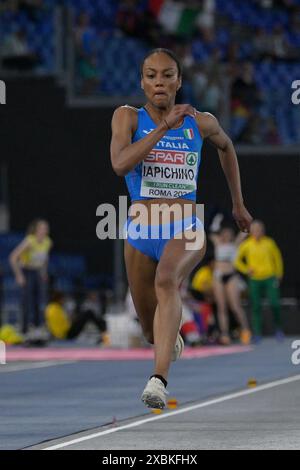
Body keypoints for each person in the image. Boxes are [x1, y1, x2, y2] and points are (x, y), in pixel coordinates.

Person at [110, 48, 252, 409]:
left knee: (167, 280)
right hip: (141, 231)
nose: (160, 82)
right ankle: (167, 339)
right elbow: (120, 164)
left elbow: (227, 146)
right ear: (142, 82)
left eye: (167, 74)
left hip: (186, 226)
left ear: (179, 81)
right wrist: (162, 128)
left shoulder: (199, 122)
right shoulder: (127, 117)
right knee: (148, 329)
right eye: (152, 75)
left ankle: (158, 380)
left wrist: (237, 203)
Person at [234, 220, 284, 343]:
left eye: (259, 229)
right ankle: (257, 333)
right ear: (251, 231)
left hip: (270, 277)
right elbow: (236, 260)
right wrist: (246, 270)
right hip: (254, 280)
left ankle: (279, 328)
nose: (257, 232)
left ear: (263, 231)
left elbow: (277, 258)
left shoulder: (269, 243)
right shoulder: (247, 245)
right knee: (256, 306)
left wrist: (279, 274)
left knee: (275, 303)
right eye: (254, 229)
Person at [9, 219, 52, 334]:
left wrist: (44, 272)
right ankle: (25, 330)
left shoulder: (47, 242)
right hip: (27, 271)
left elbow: (45, 258)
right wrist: (19, 276)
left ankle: (38, 328)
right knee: (27, 302)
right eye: (42, 228)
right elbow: (13, 257)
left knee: (39, 301)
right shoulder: (29, 241)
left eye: (46, 229)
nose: (44, 231)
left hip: (37, 272)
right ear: (36, 230)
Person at [210, 227, 251, 345]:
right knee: (221, 307)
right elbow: (207, 230)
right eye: (225, 232)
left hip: (231, 276)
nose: (226, 235)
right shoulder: (217, 242)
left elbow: (245, 231)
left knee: (235, 306)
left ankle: (245, 330)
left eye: (229, 233)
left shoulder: (235, 243)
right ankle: (224, 334)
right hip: (218, 276)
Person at [45, 291, 109, 343]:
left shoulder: (51, 308)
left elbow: (58, 323)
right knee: (88, 313)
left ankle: (103, 330)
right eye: (62, 299)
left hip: (64, 332)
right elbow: (61, 326)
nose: (63, 301)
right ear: (58, 299)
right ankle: (104, 331)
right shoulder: (55, 309)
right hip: (66, 334)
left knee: (87, 313)